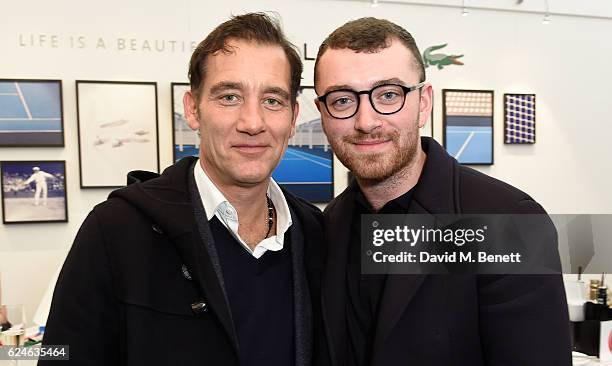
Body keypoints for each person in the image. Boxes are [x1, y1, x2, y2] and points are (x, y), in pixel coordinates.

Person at [41, 13, 323, 366]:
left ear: (293, 116)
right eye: (230, 97)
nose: (253, 123)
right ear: (193, 109)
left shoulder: (315, 234)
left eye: (272, 100)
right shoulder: (115, 231)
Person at [313, 17, 571, 366]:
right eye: (342, 100)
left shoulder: (506, 221)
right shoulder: (329, 225)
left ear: (423, 103)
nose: (366, 121)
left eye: (388, 95)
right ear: (322, 113)